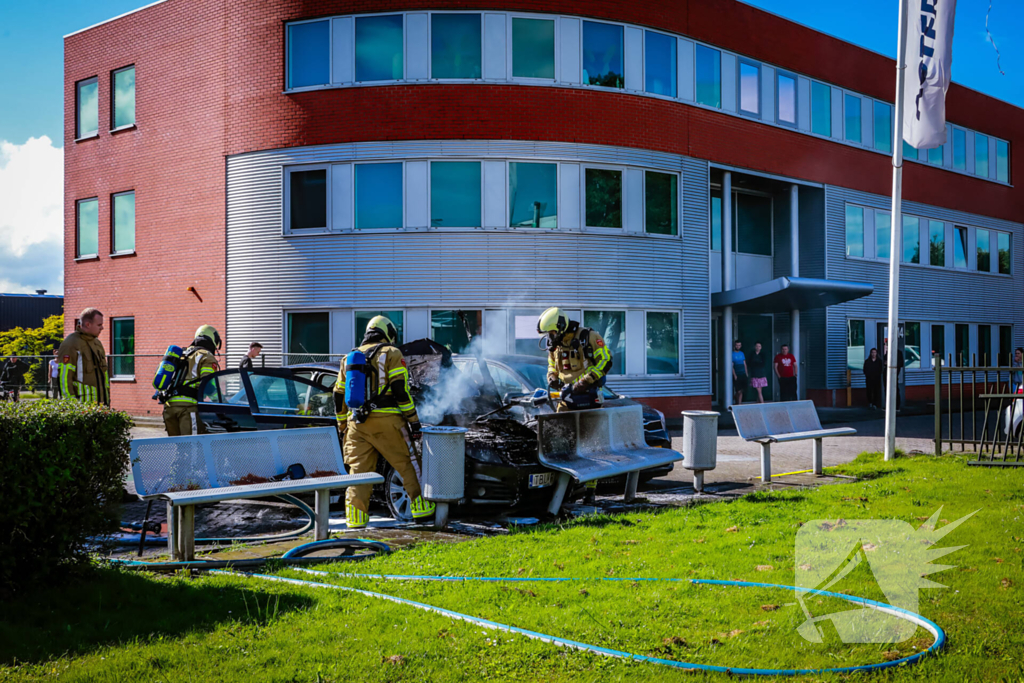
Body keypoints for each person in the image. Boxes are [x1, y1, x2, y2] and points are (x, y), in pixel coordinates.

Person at [334, 315, 434, 528]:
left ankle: (355, 520)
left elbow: (338, 395)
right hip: (388, 421)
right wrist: (414, 422)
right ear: (388, 332)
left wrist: (342, 424)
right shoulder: (391, 353)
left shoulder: (348, 358)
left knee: (358, 474)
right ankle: (422, 509)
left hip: (356, 425)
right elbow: (400, 390)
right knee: (408, 464)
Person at [538, 307, 614, 413]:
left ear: (561, 326)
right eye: (548, 333)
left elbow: (606, 360)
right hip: (565, 400)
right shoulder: (555, 345)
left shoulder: (588, 337)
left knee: (590, 428)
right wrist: (552, 376)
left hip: (589, 398)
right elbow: (551, 364)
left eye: (552, 332)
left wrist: (586, 380)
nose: (550, 337)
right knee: (561, 427)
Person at [162, 325, 221, 436]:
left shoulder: (182, 354)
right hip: (187, 409)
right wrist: (220, 401)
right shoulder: (206, 356)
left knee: (179, 447)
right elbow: (207, 384)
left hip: (169, 407)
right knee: (191, 448)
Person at [57, 308, 110, 405]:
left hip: (101, 404)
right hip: (82, 407)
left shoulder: (97, 343)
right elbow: (64, 377)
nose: (102, 328)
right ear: (88, 324)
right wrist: (71, 405)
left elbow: (104, 374)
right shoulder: (71, 344)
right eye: (99, 325)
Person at [882, 340, 904, 411]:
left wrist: (893, 365)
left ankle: (897, 406)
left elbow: (901, 363)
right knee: (887, 390)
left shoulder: (898, 353)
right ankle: (888, 406)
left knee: (895, 390)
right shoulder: (888, 353)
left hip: (894, 373)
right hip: (887, 374)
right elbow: (884, 361)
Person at [731, 341, 748, 405]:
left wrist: (746, 373)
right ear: (734, 346)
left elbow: (744, 364)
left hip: (743, 373)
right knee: (738, 390)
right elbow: (731, 365)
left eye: (739, 345)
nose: (738, 346)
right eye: (737, 345)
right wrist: (734, 375)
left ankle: (739, 404)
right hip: (737, 374)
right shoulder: (732, 354)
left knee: (741, 390)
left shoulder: (742, 353)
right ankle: (735, 398)